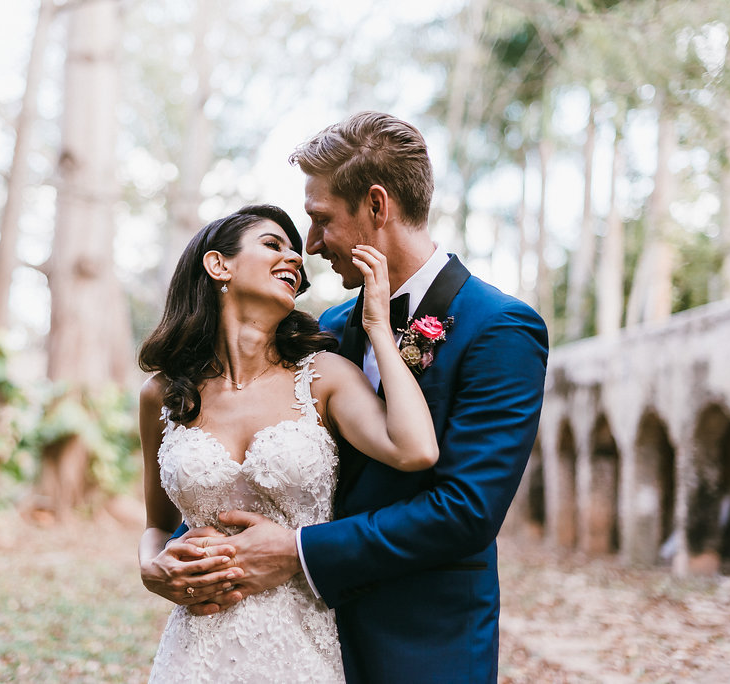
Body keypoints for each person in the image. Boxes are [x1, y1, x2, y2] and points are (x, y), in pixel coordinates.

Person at [157, 112, 550, 683]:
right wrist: (185, 551)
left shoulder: (499, 328)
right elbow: (248, 458)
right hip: (296, 640)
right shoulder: (327, 329)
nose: (310, 245)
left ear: (376, 205)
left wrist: (299, 551)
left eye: (320, 220)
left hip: (420, 643)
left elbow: (465, 510)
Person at [137, 203, 439, 682]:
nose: (296, 258)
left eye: (296, 253)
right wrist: (151, 567)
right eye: (273, 245)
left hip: (298, 647)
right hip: (195, 651)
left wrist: (378, 326)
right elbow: (157, 524)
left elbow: (414, 449)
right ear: (219, 266)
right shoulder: (164, 394)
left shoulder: (323, 376)